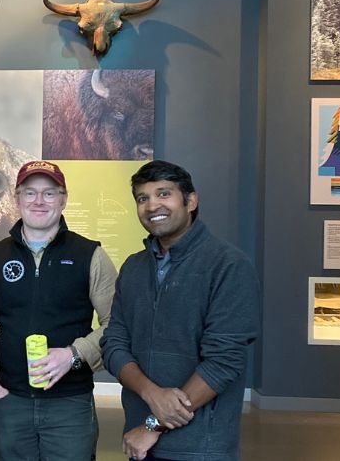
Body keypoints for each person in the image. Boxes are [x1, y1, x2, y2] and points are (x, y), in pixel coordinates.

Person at [100, 160, 259, 461]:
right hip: (139, 443)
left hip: (202, 447)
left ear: (191, 201)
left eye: (164, 194)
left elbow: (223, 361)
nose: (151, 205)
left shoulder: (229, 266)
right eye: (142, 198)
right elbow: (114, 344)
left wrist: (154, 425)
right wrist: (151, 394)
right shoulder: (134, 267)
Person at [0, 160, 117, 461]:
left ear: (63, 199)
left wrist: (74, 354)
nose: (39, 201)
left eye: (49, 193)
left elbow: (116, 324)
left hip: (70, 403)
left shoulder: (90, 254)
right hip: (10, 399)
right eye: (30, 193)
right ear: (17, 199)